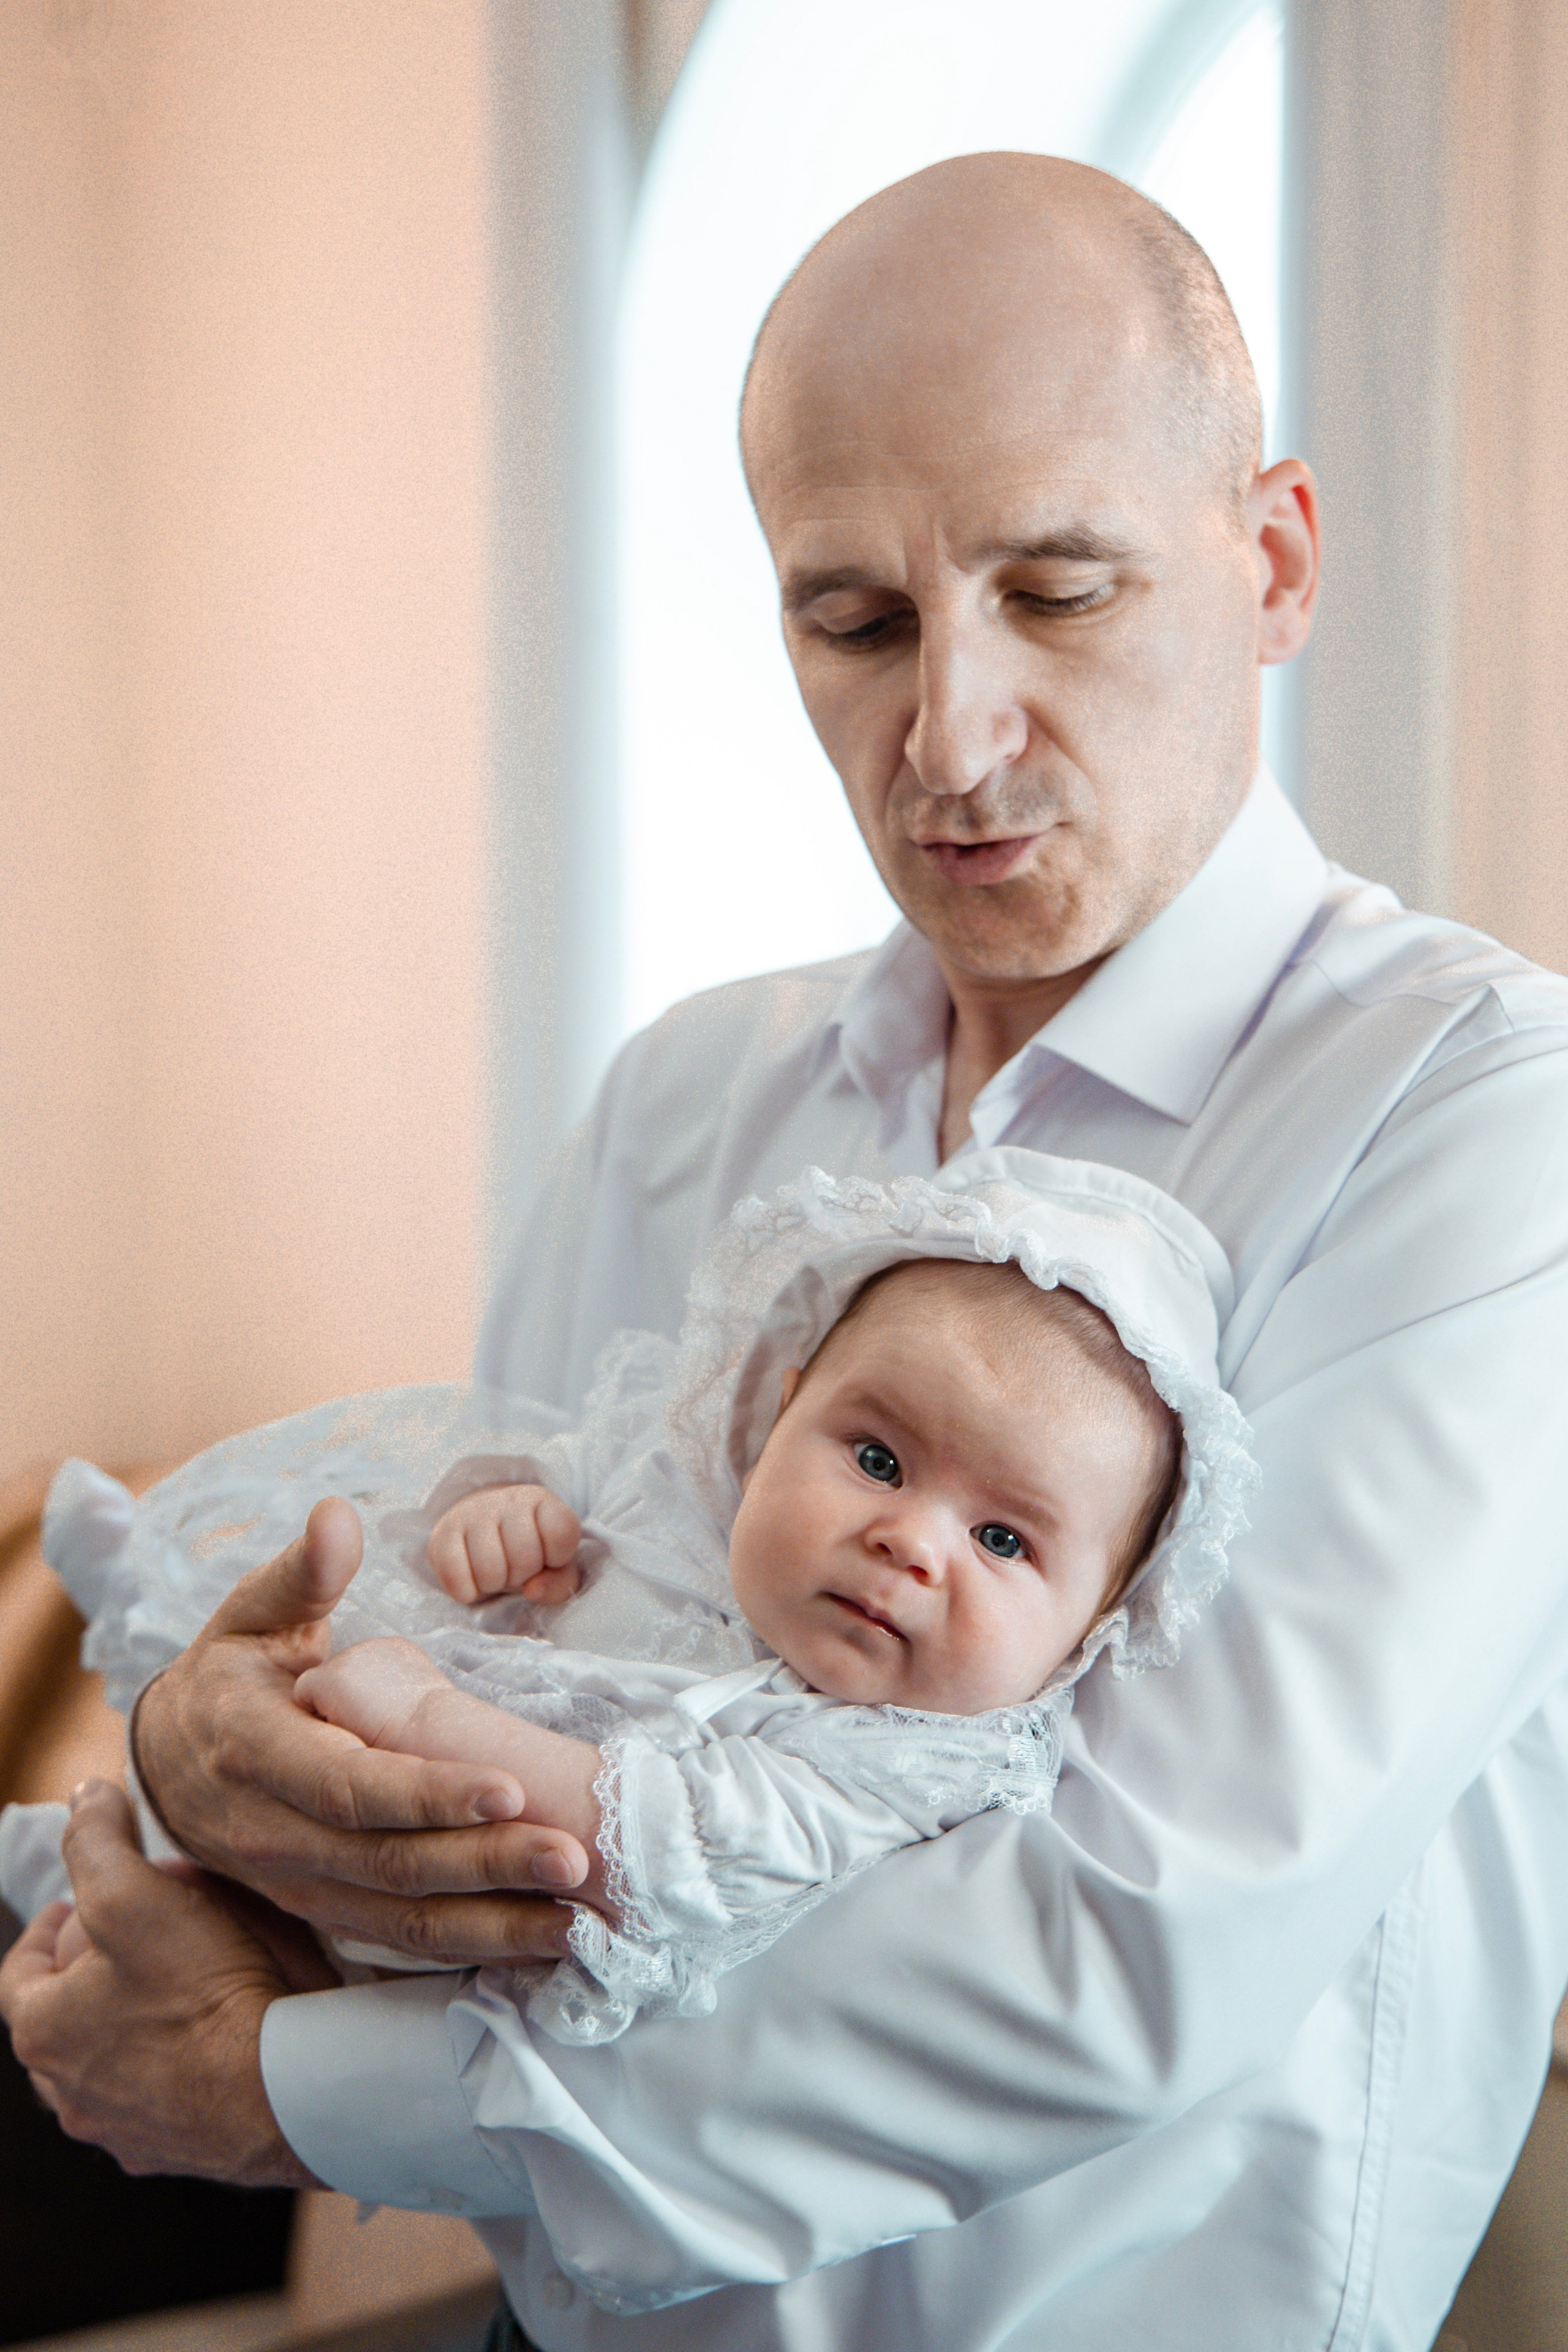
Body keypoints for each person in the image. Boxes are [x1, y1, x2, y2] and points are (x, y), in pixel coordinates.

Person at [7, 149, 1568, 2351]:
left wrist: (280, 2085)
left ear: (1275, 556)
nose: (947, 738)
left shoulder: (1483, 1115)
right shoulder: (679, 1103)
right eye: (854, 621)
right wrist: (213, 1757)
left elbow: (1122, 1946)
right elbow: (502, 1654)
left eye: (1063, 591)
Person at [1, 1155, 1248, 2049]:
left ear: (1093, 1628)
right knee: (249, 1659)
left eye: (999, 1539)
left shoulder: (885, 1766)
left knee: (220, 1921)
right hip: (331, 1743)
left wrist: (426, 1714)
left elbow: (634, 1839)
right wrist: (502, 1506)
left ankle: (72, 1856)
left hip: (408, 1940)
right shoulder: (681, 1490)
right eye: (874, 1458)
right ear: (775, 1415)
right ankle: (141, 1605)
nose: (907, 1543)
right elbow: (535, 1469)